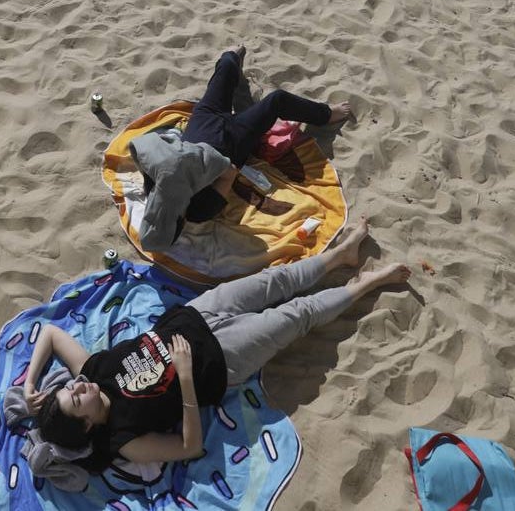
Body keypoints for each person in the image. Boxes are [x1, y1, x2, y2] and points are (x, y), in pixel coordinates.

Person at [25, 218, 408, 473]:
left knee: (277, 281)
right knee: (297, 314)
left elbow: (51, 334)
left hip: (194, 315)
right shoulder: (124, 440)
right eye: (76, 399)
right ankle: (366, 285)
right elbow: (189, 447)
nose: (76, 386)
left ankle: (341, 256)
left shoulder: (93, 372)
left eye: (69, 388)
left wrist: (30, 385)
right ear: (88, 424)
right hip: (220, 361)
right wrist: (186, 378)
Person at [132, 46, 351, 250]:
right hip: (233, 138)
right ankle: (325, 114)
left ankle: (234, 61)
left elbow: (154, 148)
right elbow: (229, 173)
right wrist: (198, 165)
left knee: (227, 64)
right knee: (277, 100)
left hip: (204, 120)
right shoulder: (199, 210)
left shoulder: (155, 184)